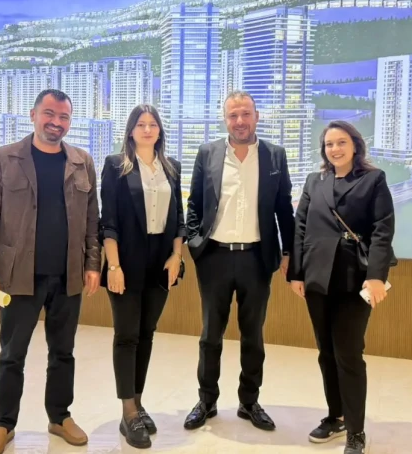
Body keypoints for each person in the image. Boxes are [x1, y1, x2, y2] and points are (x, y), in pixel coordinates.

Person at [0, 89, 102, 454]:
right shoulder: (5, 158)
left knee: (63, 352)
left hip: (68, 276)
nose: (56, 122)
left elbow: (92, 221)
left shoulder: (82, 161)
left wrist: (93, 264)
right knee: (12, 355)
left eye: (63, 117)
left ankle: (60, 417)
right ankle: (3, 425)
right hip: (18, 277)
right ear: (33, 115)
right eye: (49, 114)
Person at [183, 91, 294, 432]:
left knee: (253, 336)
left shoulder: (275, 155)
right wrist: (195, 244)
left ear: (256, 116)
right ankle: (206, 400)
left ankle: (249, 401)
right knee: (210, 336)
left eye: (246, 114)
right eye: (233, 115)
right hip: (214, 257)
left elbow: (284, 208)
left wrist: (288, 253)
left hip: (256, 259)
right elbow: (195, 203)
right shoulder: (208, 153)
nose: (240, 121)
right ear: (225, 119)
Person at [288, 120, 395, 454]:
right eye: (329, 144)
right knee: (326, 352)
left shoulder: (373, 179)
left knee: (348, 354)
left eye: (341, 142)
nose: (335, 149)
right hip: (317, 278)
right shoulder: (314, 181)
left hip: (354, 279)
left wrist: (376, 276)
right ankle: (336, 416)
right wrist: (296, 273)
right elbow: (301, 227)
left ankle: (356, 430)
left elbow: (382, 230)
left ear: (355, 145)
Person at [99, 104, 185, 449]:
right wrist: (114, 267)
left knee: (147, 333)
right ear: (131, 130)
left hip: (161, 263)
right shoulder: (115, 165)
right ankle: (128, 413)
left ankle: (137, 401)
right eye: (140, 124)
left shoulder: (172, 167)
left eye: (153, 124)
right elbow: (109, 222)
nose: (147, 129)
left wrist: (177, 256)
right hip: (126, 261)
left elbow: (179, 218)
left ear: (159, 130)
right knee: (127, 336)